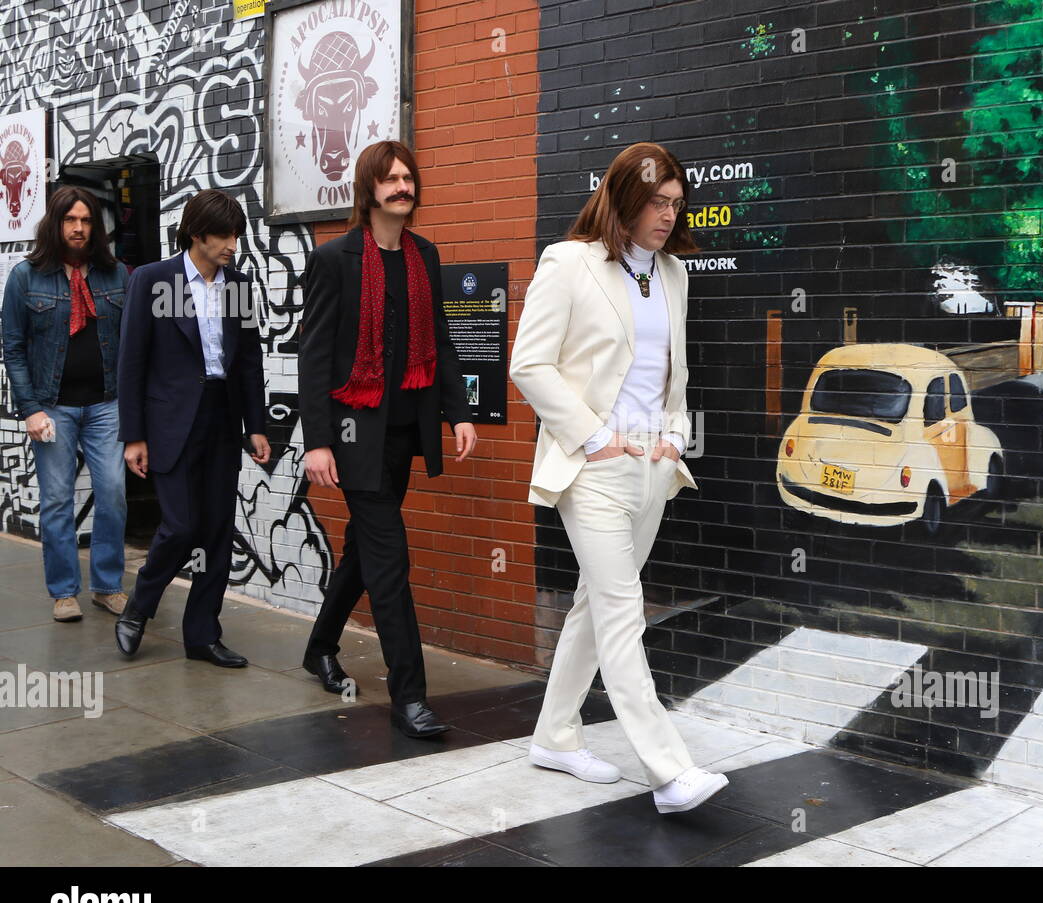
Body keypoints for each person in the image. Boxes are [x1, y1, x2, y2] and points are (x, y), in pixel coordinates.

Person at [509, 141, 727, 814]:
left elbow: (675, 374)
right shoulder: (569, 263)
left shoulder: (672, 275)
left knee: (592, 605)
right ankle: (670, 771)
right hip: (593, 467)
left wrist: (672, 440)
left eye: (676, 204)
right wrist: (598, 439)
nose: (668, 216)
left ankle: (553, 734)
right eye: (657, 203)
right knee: (622, 608)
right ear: (625, 200)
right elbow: (529, 363)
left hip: (650, 469)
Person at [298, 140, 477, 738]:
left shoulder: (424, 256)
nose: (404, 187)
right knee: (390, 559)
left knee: (365, 552)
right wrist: (317, 441)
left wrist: (460, 413)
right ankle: (410, 696)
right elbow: (315, 356)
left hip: (405, 432)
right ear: (368, 189)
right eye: (392, 179)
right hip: (353, 434)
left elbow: (442, 341)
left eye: (409, 178)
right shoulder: (335, 259)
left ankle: (320, 644)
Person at [113, 189, 270, 665]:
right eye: (224, 235)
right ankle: (139, 605)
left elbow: (247, 361)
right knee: (181, 527)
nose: (233, 245)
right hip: (169, 422)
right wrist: (133, 436)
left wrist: (256, 425)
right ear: (197, 234)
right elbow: (132, 361)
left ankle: (202, 635)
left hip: (222, 417)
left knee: (218, 530)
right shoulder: (152, 280)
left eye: (237, 235)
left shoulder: (238, 285)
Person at [1, 186, 130, 622]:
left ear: (96, 226)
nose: (78, 228)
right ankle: (63, 592)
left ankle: (108, 586)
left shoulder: (118, 275)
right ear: (55, 224)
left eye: (87, 220)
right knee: (57, 499)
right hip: (52, 405)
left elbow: (134, 344)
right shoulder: (26, 277)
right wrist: (30, 408)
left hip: (106, 404)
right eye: (70, 220)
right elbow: (13, 347)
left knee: (112, 493)